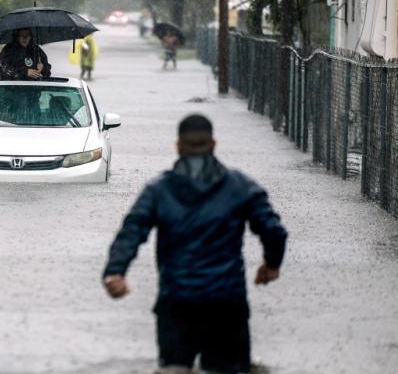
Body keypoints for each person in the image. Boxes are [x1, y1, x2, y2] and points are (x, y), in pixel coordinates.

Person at [102, 114, 288, 374]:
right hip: (227, 303)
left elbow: (132, 230)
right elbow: (274, 230)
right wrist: (271, 264)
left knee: (175, 369)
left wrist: (115, 272)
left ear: (178, 146)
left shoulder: (158, 190)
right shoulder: (240, 186)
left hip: (176, 302)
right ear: (214, 144)